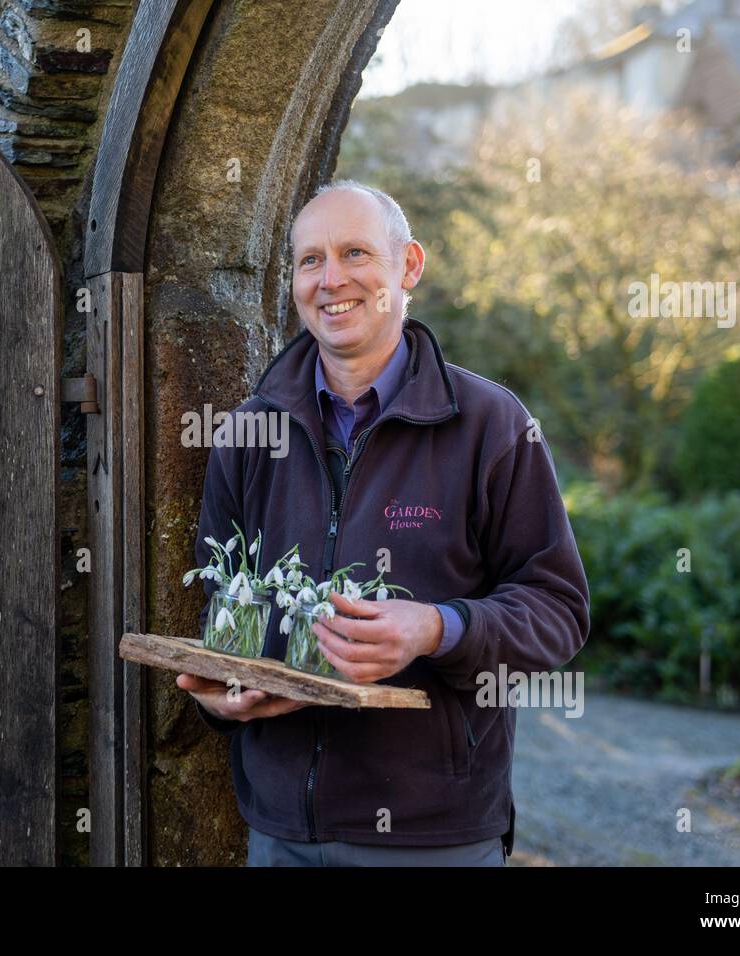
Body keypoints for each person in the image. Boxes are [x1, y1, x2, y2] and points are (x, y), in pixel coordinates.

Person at [176, 180, 591, 867]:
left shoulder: (493, 425)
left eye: (355, 253)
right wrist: (219, 698)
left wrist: (437, 628)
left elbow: (559, 610)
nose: (331, 279)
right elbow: (219, 605)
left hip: (436, 836)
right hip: (281, 832)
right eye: (310, 260)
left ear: (409, 266)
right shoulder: (248, 432)